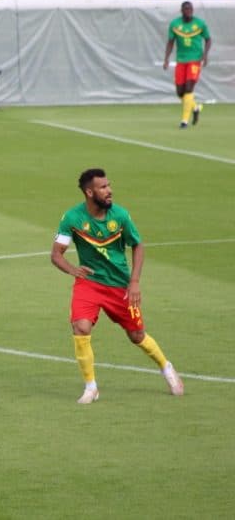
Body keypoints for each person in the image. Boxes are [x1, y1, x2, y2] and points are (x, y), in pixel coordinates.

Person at [50, 168, 184, 404]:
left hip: (119, 286)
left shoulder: (120, 216)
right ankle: (91, 387)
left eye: (109, 185)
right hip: (89, 284)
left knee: (137, 335)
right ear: (89, 192)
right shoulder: (72, 218)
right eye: (103, 187)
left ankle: (166, 367)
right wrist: (73, 270)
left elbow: (138, 245)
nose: (109, 190)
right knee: (80, 327)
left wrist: (134, 282)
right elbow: (56, 254)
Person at [163, 1, 212, 129]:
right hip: (181, 60)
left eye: (190, 9)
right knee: (180, 92)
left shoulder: (200, 23)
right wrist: (166, 58)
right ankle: (195, 107)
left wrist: (205, 55)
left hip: (195, 59)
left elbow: (208, 39)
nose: (189, 11)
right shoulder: (175, 24)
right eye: (186, 9)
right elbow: (170, 42)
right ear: (182, 11)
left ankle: (184, 121)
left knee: (189, 88)